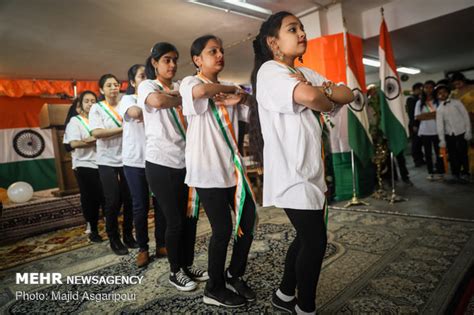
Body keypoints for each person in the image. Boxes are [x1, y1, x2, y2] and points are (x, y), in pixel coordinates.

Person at [251, 11, 354, 315]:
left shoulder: (305, 71)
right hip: (291, 171)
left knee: (307, 236)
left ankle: (284, 294)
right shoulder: (270, 71)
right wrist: (324, 93)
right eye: (292, 29)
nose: (302, 34)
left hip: (310, 170)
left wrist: (321, 92)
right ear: (273, 42)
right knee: (315, 240)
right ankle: (304, 307)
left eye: (302, 28)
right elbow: (315, 99)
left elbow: (347, 93)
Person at [180, 35, 256, 307]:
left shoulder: (228, 90)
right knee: (222, 230)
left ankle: (233, 274)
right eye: (213, 51)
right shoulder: (191, 82)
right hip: (206, 170)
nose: (220, 54)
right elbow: (200, 94)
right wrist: (231, 88)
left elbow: (249, 105)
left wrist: (241, 97)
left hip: (231, 169)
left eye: (222, 50)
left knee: (248, 222)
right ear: (198, 59)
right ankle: (213, 288)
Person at [138, 42, 207, 291]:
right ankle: (175, 271)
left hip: (186, 162)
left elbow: (195, 99)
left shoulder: (178, 86)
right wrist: (183, 98)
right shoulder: (147, 85)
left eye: (175, 60)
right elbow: (157, 101)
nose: (172, 65)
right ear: (155, 62)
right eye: (166, 59)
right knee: (174, 221)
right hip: (160, 163)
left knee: (190, 219)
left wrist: (180, 96)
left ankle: (187, 265)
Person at [119, 64, 167, 267]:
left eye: (148, 75)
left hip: (156, 159)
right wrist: (158, 101)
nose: (146, 79)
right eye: (141, 76)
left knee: (161, 205)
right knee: (140, 206)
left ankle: (162, 244)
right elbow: (137, 112)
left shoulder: (157, 96)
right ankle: (143, 248)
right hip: (134, 162)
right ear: (132, 82)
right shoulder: (127, 99)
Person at [89, 74, 137, 255]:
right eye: (108, 85)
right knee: (113, 200)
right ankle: (114, 238)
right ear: (101, 90)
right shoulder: (97, 108)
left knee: (130, 199)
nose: (113, 88)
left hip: (127, 157)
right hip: (106, 160)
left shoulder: (126, 103)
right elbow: (97, 133)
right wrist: (123, 129)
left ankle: (128, 236)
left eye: (116, 84)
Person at [63, 91, 104, 242]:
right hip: (84, 164)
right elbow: (73, 143)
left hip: (102, 162)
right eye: (87, 101)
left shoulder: (99, 120)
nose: (90, 104)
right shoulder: (76, 121)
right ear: (80, 105)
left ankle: (109, 226)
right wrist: (95, 139)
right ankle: (93, 229)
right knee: (90, 198)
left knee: (106, 197)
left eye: (93, 101)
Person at [435, 84, 472, 182]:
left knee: (463, 153)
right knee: (452, 155)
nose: (442, 94)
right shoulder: (439, 109)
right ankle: (455, 173)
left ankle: (466, 173)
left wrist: (468, 131)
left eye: (444, 92)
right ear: (437, 95)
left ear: (448, 92)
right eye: (439, 93)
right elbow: (440, 125)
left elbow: (465, 116)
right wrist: (442, 139)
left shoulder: (457, 103)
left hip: (461, 132)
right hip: (450, 135)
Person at [415, 80, 444, 180]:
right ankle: (430, 172)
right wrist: (433, 115)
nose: (428, 89)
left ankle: (441, 173)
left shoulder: (439, 101)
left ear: (434, 88)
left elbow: (441, 115)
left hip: (437, 131)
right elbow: (418, 117)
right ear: (423, 89)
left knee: (439, 153)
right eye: (426, 87)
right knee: (427, 154)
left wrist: (426, 115)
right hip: (425, 131)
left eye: (431, 87)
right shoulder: (419, 102)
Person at [406, 82, 425, 166]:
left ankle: (420, 159)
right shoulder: (411, 99)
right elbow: (411, 113)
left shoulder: (420, 98)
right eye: (420, 89)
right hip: (414, 124)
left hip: (421, 123)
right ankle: (417, 160)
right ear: (415, 89)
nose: (421, 91)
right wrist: (414, 125)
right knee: (416, 143)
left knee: (420, 142)